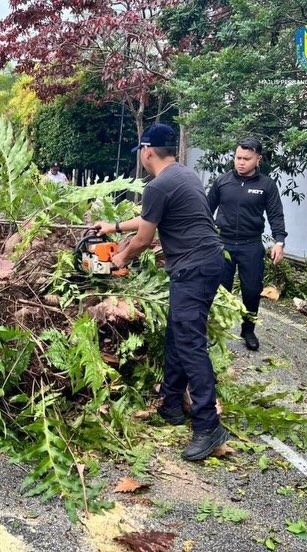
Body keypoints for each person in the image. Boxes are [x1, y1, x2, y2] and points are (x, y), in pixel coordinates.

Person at [93, 123, 229, 461]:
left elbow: (143, 240)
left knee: (190, 342)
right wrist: (113, 227)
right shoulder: (184, 175)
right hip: (209, 262)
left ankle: (208, 426)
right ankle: (171, 405)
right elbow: (149, 220)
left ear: (147, 151)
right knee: (178, 334)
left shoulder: (157, 186)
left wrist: (114, 262)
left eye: (140, 151)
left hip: (193, 267)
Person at [207, 138, 287, 351]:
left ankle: (248, 330)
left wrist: (279, 241)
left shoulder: (266, 185)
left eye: (246, 159)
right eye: (237, 158)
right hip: (221, 244)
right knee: (219, 291)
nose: (240, 162)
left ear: (258, 159)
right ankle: (214, 329)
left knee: (252, 291)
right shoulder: (222, 181)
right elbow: (206, 210)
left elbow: (275, 215)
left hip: (250, 245)